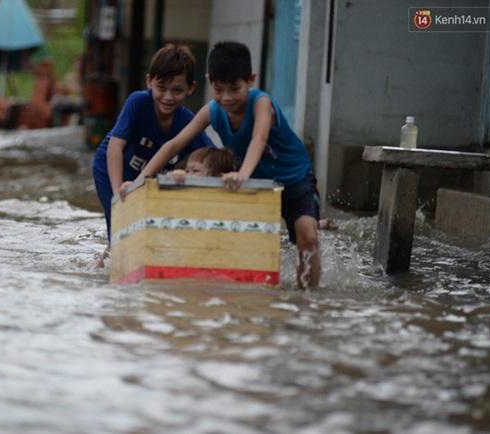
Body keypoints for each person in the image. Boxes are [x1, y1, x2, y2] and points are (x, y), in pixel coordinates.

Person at [121, 41, 323, 289]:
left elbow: (259, 139)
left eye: (235, 89)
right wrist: (138, 182)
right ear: (209, 82)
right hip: (252, 185)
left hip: (294, 180)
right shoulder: (212, 111)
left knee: (307, 237)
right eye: (219, 89)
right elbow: (173, 145)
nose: (226, 98)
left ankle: (308, 302)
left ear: (251, 80)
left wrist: (242, 176)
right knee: (228, 237)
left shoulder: (261, 103)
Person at [92, 44, 215, 267]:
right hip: (112, 169)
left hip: (148, 176)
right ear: (149, 82)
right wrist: (118, 194)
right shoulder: (138, 102)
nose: (168, 97)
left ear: (190, 88)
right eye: (161, 88)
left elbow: (213, 160)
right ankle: (105, 277)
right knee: (122, 233)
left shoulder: (188, 123)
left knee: (151, 231)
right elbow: (114, 148)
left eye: (177, 90)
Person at [167, 147, 337, 231]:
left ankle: (316, 225)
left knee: (286, 228)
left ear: (218, 177)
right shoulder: (186, 189)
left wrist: (233, 180)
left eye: (195, 171)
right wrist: (174, 178)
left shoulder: (228, 192)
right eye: (187, 170)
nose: (188, 176)